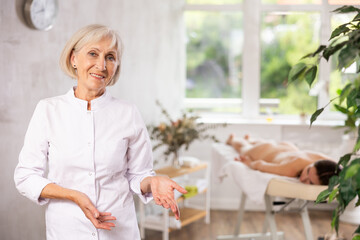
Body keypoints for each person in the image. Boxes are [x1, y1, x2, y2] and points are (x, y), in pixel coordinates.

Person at [14, 24, 187, 239]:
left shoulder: (128, 113)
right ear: (73, 59)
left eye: (110, 57)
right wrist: (73, 195)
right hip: (67, 229)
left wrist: (152, 182)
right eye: (93, 54)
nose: (101, 65)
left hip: (119, 228)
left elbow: (138, 174)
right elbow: (26, 176)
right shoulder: (48, 110)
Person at [226, 134, 341, 185]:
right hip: (267, 152)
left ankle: (251, 139)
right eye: (307, 172)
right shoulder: (290, 170)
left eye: (310, 182)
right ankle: (232, 140)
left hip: (288, 148)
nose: (302, 179)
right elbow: (261, 165)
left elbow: (341, 169)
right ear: (315, 164)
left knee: (262, 143)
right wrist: (249, 163)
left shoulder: (323, 160)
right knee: (244, 148)